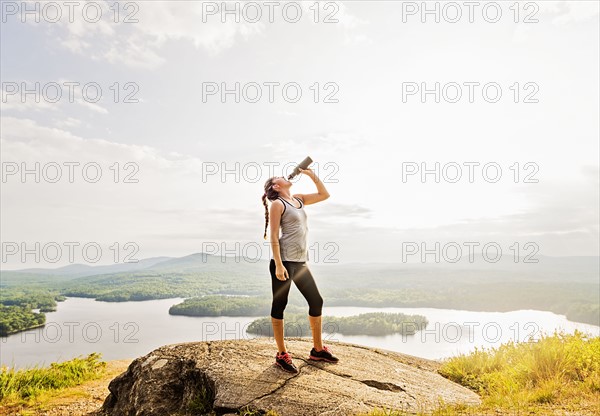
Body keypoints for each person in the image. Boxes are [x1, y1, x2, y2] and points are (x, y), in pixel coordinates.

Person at [261, 168, 339, 373]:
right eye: (278, 177)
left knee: (316, 301)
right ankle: (282, 354)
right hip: (284, 262)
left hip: (301, 262)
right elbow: (274, 235)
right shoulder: (278, 204)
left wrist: (310, 174)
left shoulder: (298, 199)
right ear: (275, 186)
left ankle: (318, 349)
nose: (283, 176)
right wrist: (278, 264)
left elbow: (324, 195)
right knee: (280, 305)